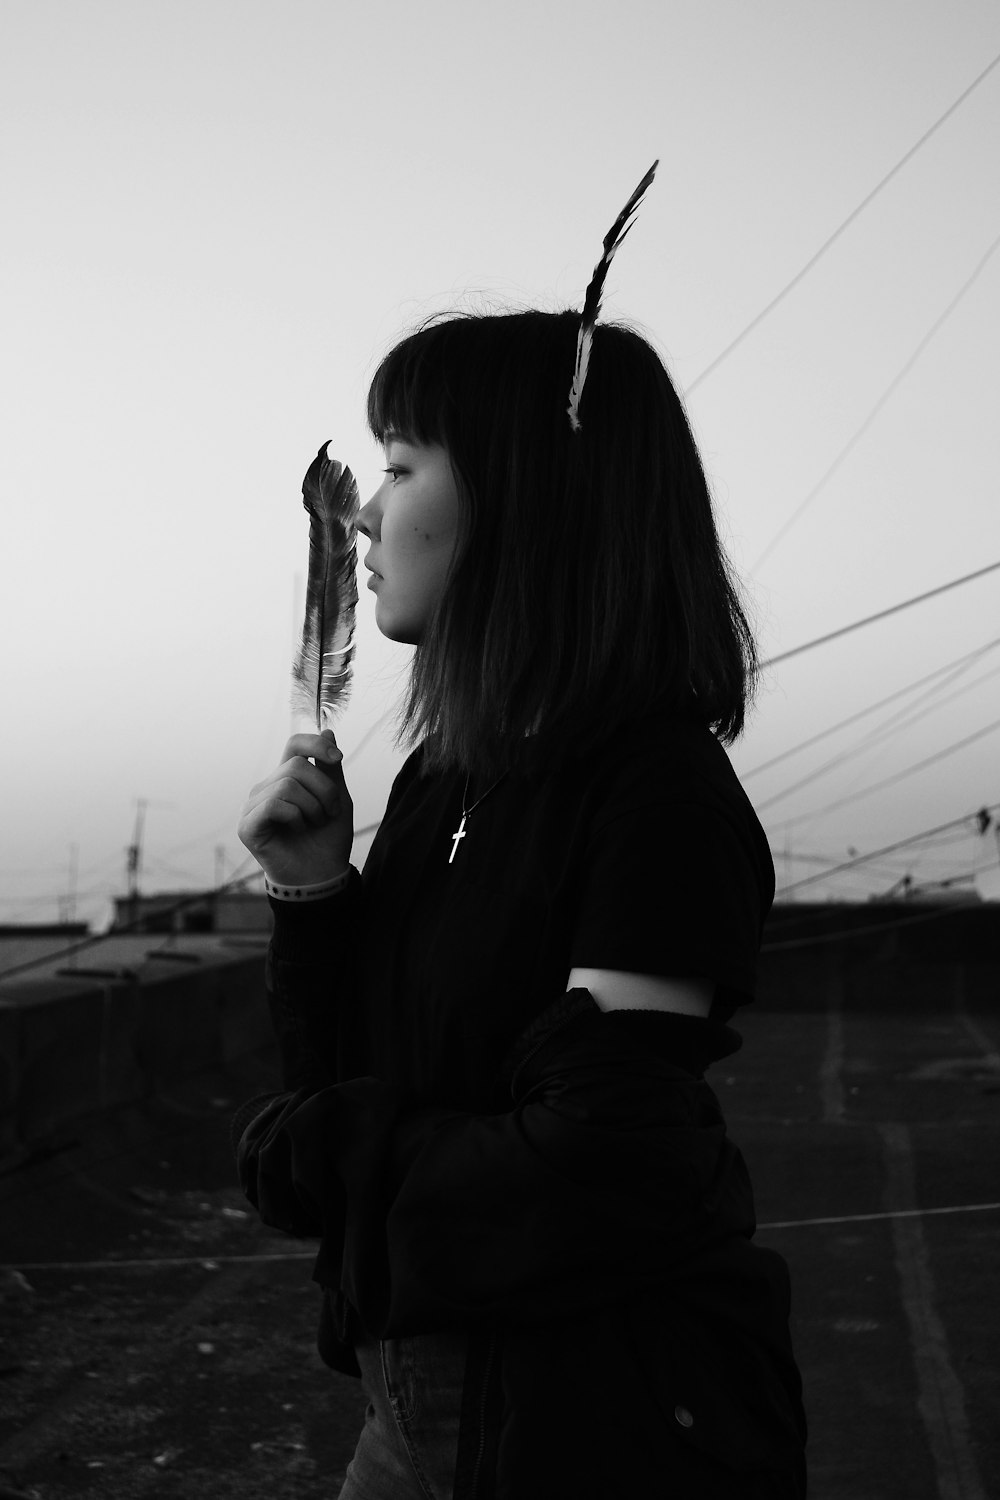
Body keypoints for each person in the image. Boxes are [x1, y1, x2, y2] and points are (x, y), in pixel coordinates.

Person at [233, 305, 808, 1499]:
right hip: (417, 1398)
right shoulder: (453, 772)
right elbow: (346, 1067)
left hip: (596, 1423)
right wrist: (313, 888)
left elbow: (603, 1164)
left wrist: (328, 1157)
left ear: (525, 498)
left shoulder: (654, 797)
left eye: (397, 466)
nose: (365, 516)